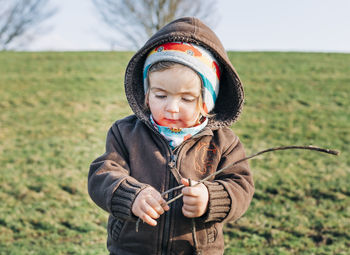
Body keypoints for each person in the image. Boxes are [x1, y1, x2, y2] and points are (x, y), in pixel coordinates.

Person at [88, 17, 254, 255]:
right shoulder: (125, 133)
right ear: (146, 94)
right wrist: (130, 195)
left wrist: (210, 198)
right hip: (132, 249)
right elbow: (102, 174)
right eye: (160, 95)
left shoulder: (223, 142)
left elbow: (241, 186)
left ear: (207, 101)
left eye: (186, 98)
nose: (171, 107)